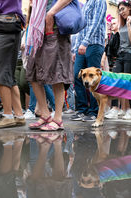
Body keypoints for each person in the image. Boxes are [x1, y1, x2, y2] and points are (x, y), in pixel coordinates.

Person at [26, 0, 73, 131]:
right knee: (32, 72)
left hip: (55, 28)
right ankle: (45, 114)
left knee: (56, 72)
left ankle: (58, 119)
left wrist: (51, 13)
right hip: (37, 30)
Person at [70, 0, 107, 122]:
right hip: (82, 46)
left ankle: (94, 111)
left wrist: (85, 42)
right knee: (77, 75)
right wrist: (76, 49)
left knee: (94, 79)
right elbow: (81, 28)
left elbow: (95, 23)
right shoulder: (85, 4)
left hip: (94, 44)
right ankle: (82, 110)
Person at [105, 0, 131, 120]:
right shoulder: (122, 23)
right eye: (119, 10)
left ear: (129, 8)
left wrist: (128, 26)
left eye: (123, 9)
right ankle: (115, 108)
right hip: (121, 55)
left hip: (130, 54)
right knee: (115, 80)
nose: (121, 12)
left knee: (128, 82)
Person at [0, 0, 26, 128]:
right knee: (8, 74)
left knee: (0, 72)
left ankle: (8, 115)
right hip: (8, 23)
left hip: (5, 23)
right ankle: (18, 115)